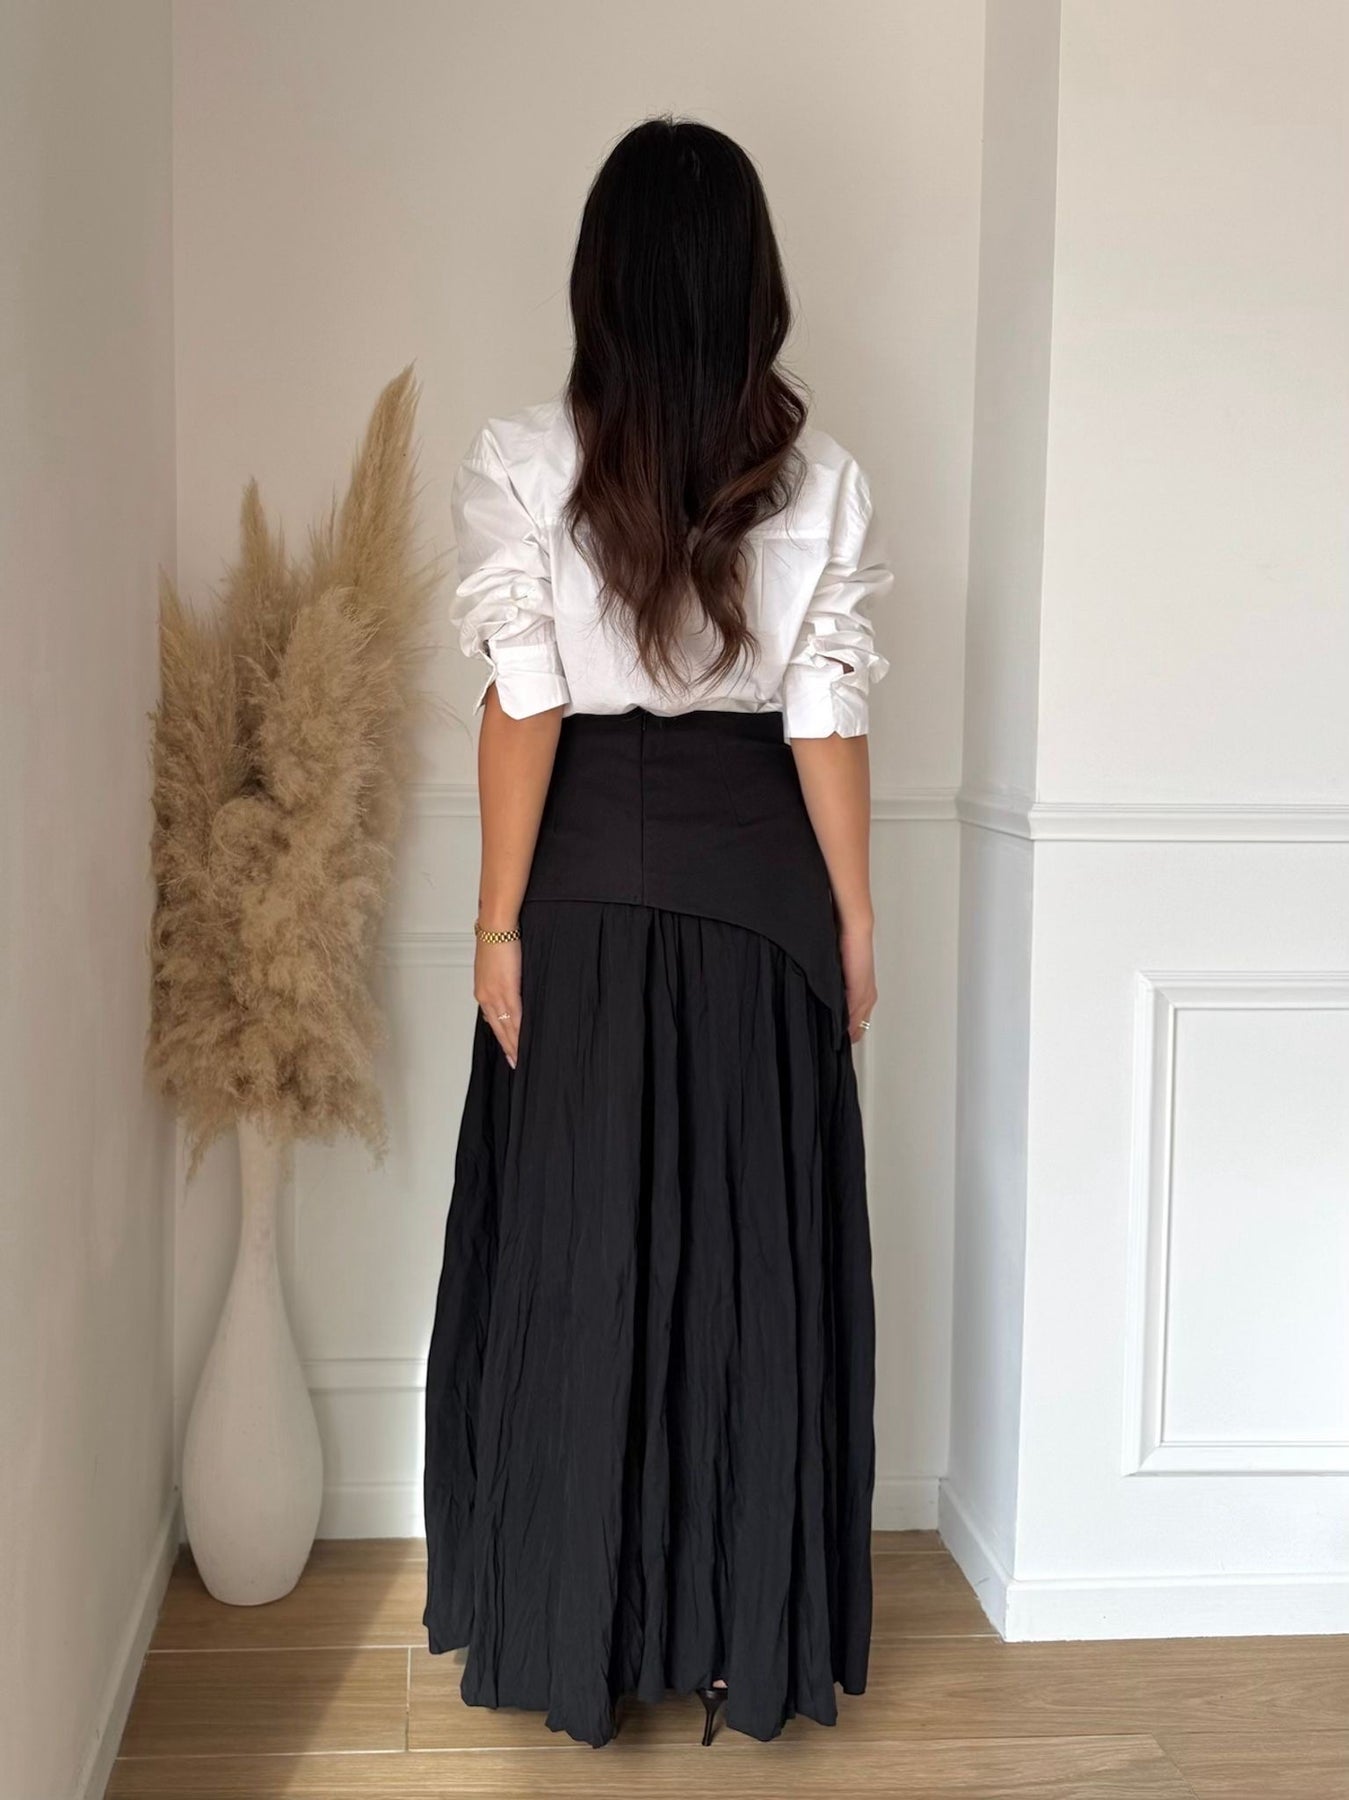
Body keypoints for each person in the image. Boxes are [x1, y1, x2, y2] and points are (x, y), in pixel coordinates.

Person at [422, 114, 892, 1751]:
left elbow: (525, 709)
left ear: (599, 279)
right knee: (751, 1263)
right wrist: (850, 922)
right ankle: (734, 1637)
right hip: (762, 887)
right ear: (753, 281)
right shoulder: (818, 478)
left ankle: (582, 1639)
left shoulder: (520, 461)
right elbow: (823, 717)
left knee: (580, 1249)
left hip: (581, 891)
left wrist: (496, 924)